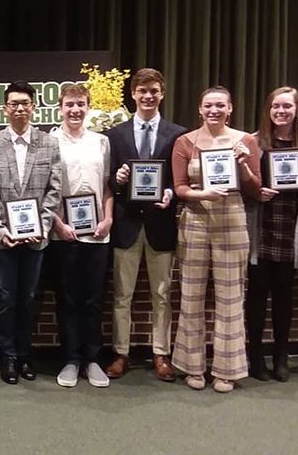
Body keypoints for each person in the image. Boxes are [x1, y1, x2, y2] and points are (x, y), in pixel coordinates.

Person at [170, 86, 261, 393]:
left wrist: (244, 165)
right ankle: (192, 366)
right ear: (200, 109)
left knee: (230, 297)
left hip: (232, 219)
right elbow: (180, 188)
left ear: (230, 108)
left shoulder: (245, 141)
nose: (214, 110)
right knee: (191, 294)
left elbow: (255, 189)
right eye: (208, 105)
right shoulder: (185, 142)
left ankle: (227, 369)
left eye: (220, 105)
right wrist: (202, 194)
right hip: (195, 219)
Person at [104, 69, 186, 382]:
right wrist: (119, 179)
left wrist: (170, 194)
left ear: (162, 93)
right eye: (142, 91)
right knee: (122, 295)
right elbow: (108, 180)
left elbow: (181, 181)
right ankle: (121, 353)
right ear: (133, 94)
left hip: (161, 224)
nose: (148, 96)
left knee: (162, 295)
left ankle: (160, 354)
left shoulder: (178, 134)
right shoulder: (115, 135)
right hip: (126, 225)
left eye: (153, 91)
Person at [0, 81, 61, 385]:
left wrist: (40, 226)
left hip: (36, 237)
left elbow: (54, 189)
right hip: (1, 239)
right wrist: (1, 229)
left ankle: (26, 354)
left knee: (29, 297)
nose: (19, 108)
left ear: (33, 107)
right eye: (13, 103)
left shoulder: (49, 143)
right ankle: (9, 357)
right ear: (4, 108)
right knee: (5, 298)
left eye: (25, 103)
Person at [244, 87, 298, 382]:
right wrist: (256, 192)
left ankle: (281, 358)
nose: (281, 111)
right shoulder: (254, 141)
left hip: (291, 229)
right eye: (276, 106)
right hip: (262, 228)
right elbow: (244, 188)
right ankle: (256, 359)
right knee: (256, 297)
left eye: (287, 106)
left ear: (297, 110)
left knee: (284, 298)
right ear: (268, 110)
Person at [49, 84, 114, 388]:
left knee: (93, 300)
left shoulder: (101, 142)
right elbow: (45, 190)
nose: (75, 110)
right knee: (68, 299)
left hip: (98, 235)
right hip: (64, 234)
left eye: (81, 104)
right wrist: (59, 224)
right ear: (60, 108)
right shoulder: (50, 142)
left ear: (89, 107)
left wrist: (109, 218)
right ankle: (71, 360)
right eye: (69, 104)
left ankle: (92, 359)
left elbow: (107, 186)